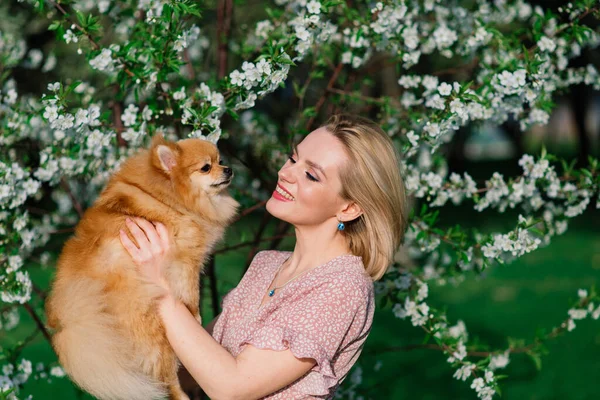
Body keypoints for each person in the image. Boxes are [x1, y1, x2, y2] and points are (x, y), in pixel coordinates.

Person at [120, 114, 408, 399]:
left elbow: (232, 387)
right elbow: (192, 367)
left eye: (310, 175)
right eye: (293, 159)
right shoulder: (266, 264)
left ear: (348, 208)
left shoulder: (342, 287)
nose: (285, 173)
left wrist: (159, 289)